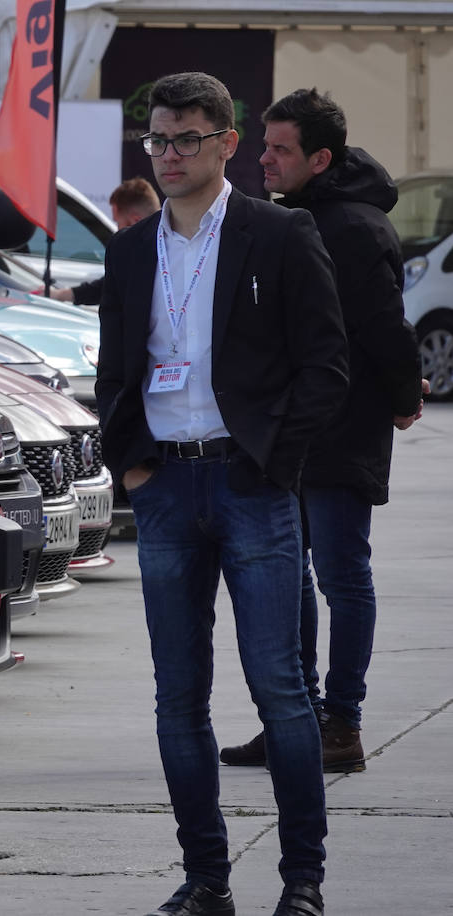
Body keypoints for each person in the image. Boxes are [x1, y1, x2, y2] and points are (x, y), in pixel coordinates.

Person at [96, 72, 347, 916]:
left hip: (251, 487)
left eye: (187, 139)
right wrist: (130, 464)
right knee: (178, 695)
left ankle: (302, 882)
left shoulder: (279, 235)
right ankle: (207, 879)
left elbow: (326, 367)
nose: (169, 155)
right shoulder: (130, 248)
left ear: (227, 144)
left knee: (280, 688)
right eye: (158, 140)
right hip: (166, 488)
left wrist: (272, 462)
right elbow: (113, 374)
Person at [219, 89, 427, 775]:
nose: (265, 159)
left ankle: (341, 723)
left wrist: (401, 399)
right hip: (292, 431)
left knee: (342, 574)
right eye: (266, 144)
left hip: (344, 430)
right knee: (288, 576)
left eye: (280, 149)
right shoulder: (290, 218)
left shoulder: (356, 228)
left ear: (321, 157)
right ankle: (296, 721)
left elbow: (385, 328)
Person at [49, 177, 160, 304]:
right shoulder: (172, 247)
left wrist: (59, 295)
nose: (117, 231)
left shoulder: (144, 257)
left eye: (119, 224)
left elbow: (107, 288)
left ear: (136, 221)